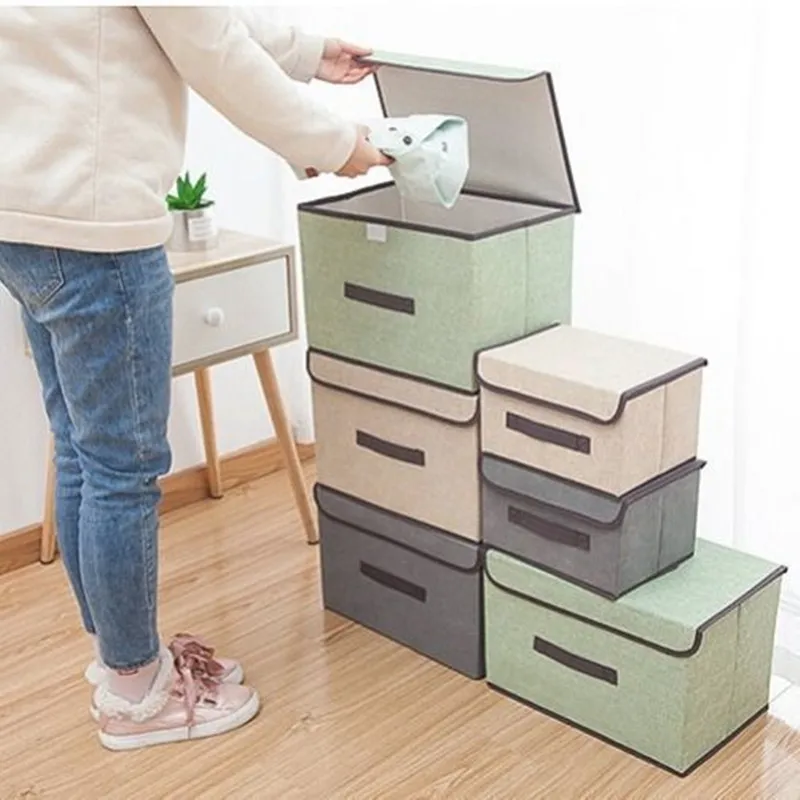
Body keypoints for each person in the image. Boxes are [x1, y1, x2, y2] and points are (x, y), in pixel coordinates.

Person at [0, 7, 389, 751]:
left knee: (82, 449)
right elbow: (211, 46)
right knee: (121, 468)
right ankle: (136, 694)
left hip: (24, 216)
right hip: (99, 231)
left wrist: (306, 52)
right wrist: (338, 146)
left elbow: (183, 14)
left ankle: (119, 655)